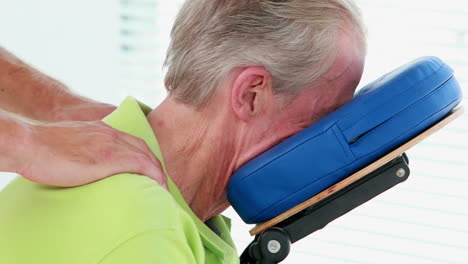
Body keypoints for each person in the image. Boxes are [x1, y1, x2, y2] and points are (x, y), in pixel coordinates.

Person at [0, 0, 366, 263]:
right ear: (250, 94)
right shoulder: (146, 233)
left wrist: (56, 109)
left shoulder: (161, 207)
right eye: (323, 117)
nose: (322, 138)